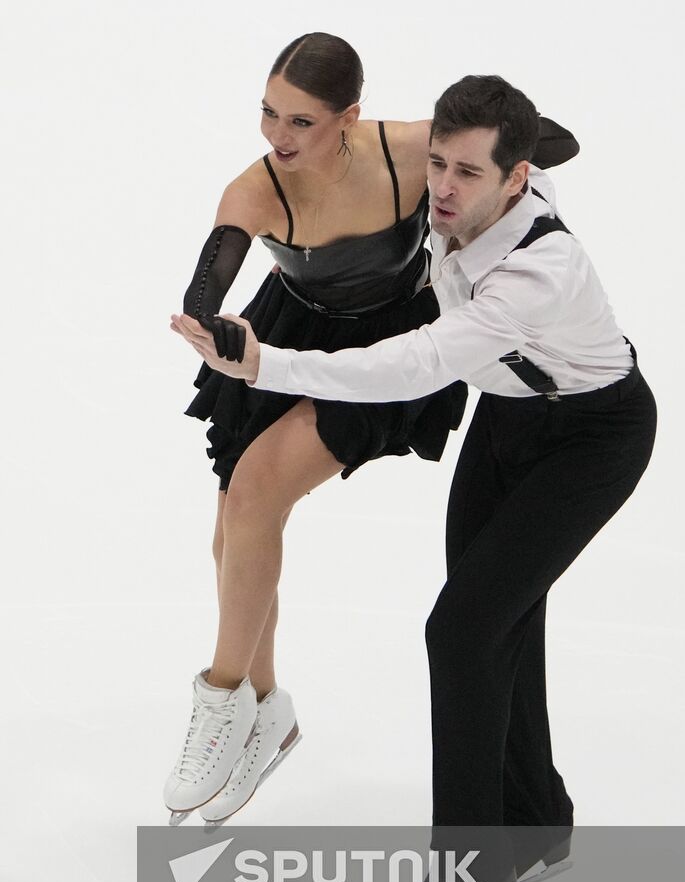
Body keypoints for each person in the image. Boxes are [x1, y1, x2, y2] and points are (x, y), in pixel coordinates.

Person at [173, 74, 657, 882]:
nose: (441, 188)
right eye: (437, 163)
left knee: (463, 629)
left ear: (516, 181)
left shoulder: (537, 269)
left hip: (592, 437)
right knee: (504, 616)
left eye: (469, 173)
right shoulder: (466, 182)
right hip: (510, 418)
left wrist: (267, 365)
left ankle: (467, 871)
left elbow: (416, 363)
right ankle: (536, 818)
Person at [164, 36, 578, 830]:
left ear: (348, 117)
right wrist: (210, 319)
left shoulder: (407, 148)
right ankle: (265, 711)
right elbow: (211, 274)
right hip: (288, 333)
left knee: (255, 495)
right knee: (233, 532)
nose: (277, 136)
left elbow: (548, 141)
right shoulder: (255, 188)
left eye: (301, 120)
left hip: (390, 347)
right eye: (267, 112)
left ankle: (219, 699)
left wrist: (502, 169)